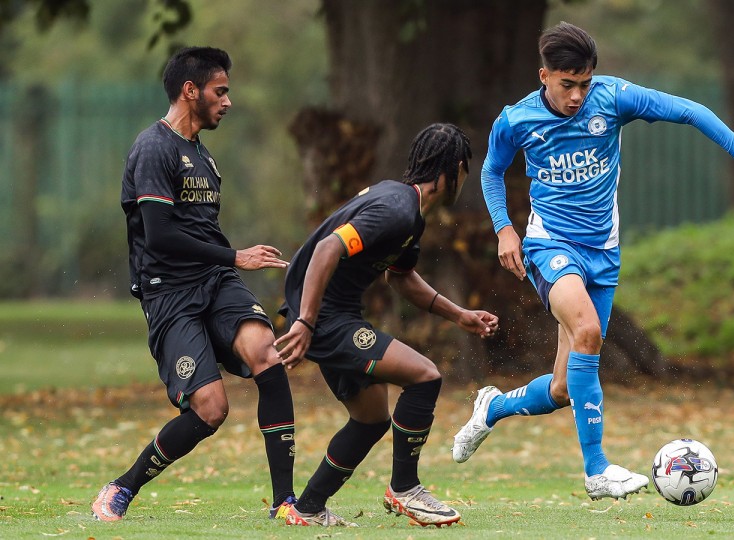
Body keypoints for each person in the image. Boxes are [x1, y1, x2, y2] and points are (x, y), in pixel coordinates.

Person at [452, 22, 734, 500]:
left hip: (604, 254)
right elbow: (491, 170)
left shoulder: (613, 98)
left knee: (563, 389)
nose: (577, 96)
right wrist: (504, 228)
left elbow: (691, 111)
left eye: (584, 83)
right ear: (544, 76)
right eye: (567, 84)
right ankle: (597, 471)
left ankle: (492, 409)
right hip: (550, 246)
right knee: (588, 331)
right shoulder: (517, 120)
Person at [92, 46, 297, 522]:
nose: (228, 101)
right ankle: (123, 486)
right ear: (190, 90)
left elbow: (200, 233)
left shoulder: (204, 156)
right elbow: (161, 236)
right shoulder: (154, 148)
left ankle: (286, 503)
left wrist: (228, 263)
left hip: (216, 281)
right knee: (210, 409)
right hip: (169, 292)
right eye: (219, 92)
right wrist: (236, 255)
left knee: (267, 354)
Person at [273, 123, 498, 528]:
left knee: (371, 418)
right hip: (326, 318)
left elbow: (401, 277)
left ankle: (306, 509)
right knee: (425, 376)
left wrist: (459, 315)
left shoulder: (407, 213)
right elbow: (327, 248)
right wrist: (306, 320)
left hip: (333, 315)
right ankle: (405, 488)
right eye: (466, 170)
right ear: (454, 169)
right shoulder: (396, 209)